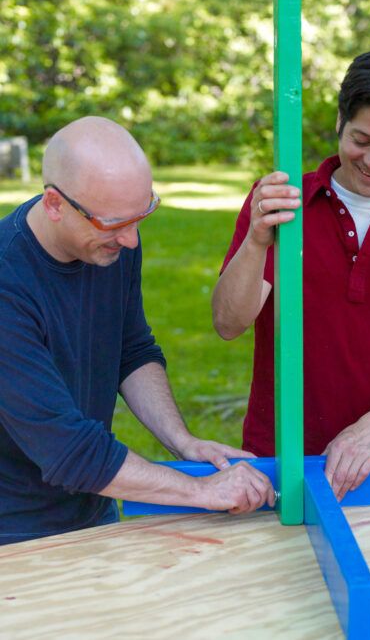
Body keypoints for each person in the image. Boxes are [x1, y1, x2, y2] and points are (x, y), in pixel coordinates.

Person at [0, 117, 276, 546]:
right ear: (54, 204)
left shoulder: (111, 244)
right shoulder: (7, 286)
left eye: (143, 214)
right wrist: (201, 491)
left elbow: (131, 350)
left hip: (94, 500)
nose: (131, 239)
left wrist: (183, 442)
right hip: (15, 531)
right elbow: (67, 451)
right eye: (114, 224)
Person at [212, 50, 370, 500]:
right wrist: (257, 241)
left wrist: (368, 433)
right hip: (275, 457)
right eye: (362, 139)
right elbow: (229, 323)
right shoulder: (281, 202)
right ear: (340, 121)